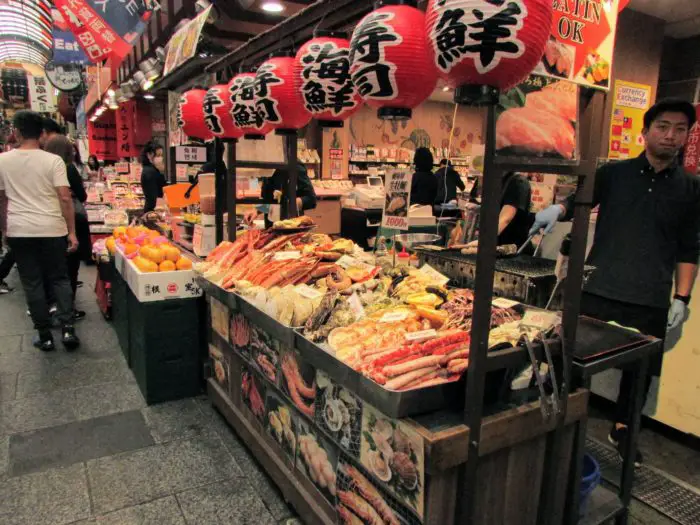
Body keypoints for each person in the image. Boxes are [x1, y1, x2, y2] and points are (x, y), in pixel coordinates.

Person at [530, 98, 700, 465]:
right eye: (663, 127)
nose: (671, 136)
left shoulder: (691, 188)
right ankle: (556, 417)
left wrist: (681, 299)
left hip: (651, 295)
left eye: (680, 129)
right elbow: (579, 199)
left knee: (639, 375)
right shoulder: (614, 173)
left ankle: (623, 428)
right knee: (569, 359)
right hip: (599, 286)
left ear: (687, 136)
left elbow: (690, 249)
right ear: (645, 133)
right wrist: (556, 211)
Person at [0, 111, 80, 351]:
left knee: (32, 282)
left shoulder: (3, 160)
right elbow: (65, 198)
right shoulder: (52, 161)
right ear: (42, 134)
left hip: (20, 229)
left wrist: (4, 228)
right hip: (52, 227)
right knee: (60, 279)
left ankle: (44, 335)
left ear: (17, 132)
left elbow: (2, 199)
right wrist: (72, 232)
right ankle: (67, 330)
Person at [44, 136, 89, 321]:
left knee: (51, 268)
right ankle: (68, 309)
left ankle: (52, 305)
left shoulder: (43, 167)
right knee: (70, 268)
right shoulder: (67, 168)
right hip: (69, 221)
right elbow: (82, 195)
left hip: (48, 222)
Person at [453, 171, 533, 250]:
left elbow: (505, 218)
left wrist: (484, 241)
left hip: (511, 248)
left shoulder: (518, 182)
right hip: (496, 246)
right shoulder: (499, 181)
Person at [244, 160, 317, 227]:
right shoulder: (268, 167)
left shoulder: (294, 165)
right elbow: (269, 203)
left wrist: (292, 203)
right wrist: (257, 211)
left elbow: (311, 199)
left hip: (292, 228)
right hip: (271, 228)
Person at [140, 141, 166, 213]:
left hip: (152, 209)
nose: (160, 158)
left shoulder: (151, 169)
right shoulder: (150, 171)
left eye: (161, 155)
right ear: (149, 155)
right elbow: (153, 197)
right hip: (152, 211)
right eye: (158, 155)